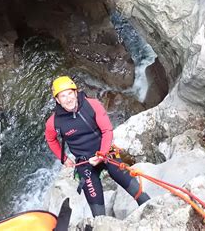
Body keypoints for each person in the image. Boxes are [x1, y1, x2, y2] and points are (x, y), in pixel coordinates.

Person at [45, 76, 151, 217]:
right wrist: (63, 158)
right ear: (57, 100)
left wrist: (101, 153)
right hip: (84, 162)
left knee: (138, 192)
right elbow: (51, 140)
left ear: (76, 93)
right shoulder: (54, 122)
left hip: (106, 152)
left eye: (70, 93)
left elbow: (107, 130)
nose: (68, 98)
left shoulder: (92, 105)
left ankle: (152, 214)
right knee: (98, 214)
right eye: (63, 96)